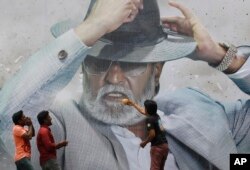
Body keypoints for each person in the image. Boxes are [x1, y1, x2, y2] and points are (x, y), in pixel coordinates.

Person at [0, 0, 249, 169]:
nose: (114, 78)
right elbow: (8, 121)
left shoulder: (198, 110)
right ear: (83, 66)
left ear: (157, 71)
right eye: (99, 63)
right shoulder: (60, 125)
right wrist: (92, 28)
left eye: (132, 64)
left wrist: (223, 57)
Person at [122, 99, 168, 170]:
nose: (144, 109)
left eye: (145, 107)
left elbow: (152, 134)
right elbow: (142, 111)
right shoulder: (156, 116)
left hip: (157, 147)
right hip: (165, 146)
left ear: (147, 109)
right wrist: (133, 104)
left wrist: (144, 143)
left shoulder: (149, 119)